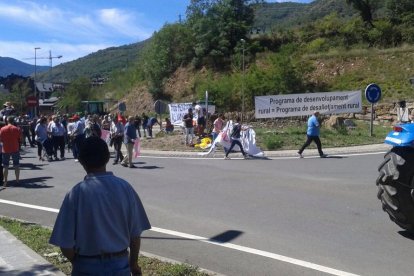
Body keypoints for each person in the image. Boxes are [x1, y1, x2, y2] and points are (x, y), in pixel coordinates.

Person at [49, 136, 151, 275]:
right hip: (119, 265)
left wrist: (80, 263)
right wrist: (133, 263)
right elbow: (135, 235)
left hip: (86, 266)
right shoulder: (125, 188)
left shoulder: (76, 194)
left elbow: (65, 244)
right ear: (108, 158)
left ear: (81, 161)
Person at [0, 116, 22, 187]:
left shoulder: (2, 129)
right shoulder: (17, 129)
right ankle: (17, 180)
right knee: (16, 165)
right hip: (15, 148)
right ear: (13, 121)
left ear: (7, 121)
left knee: (5, 166)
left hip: (5, 149)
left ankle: (5, 182)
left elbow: (0, 139)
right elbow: (21, 139)